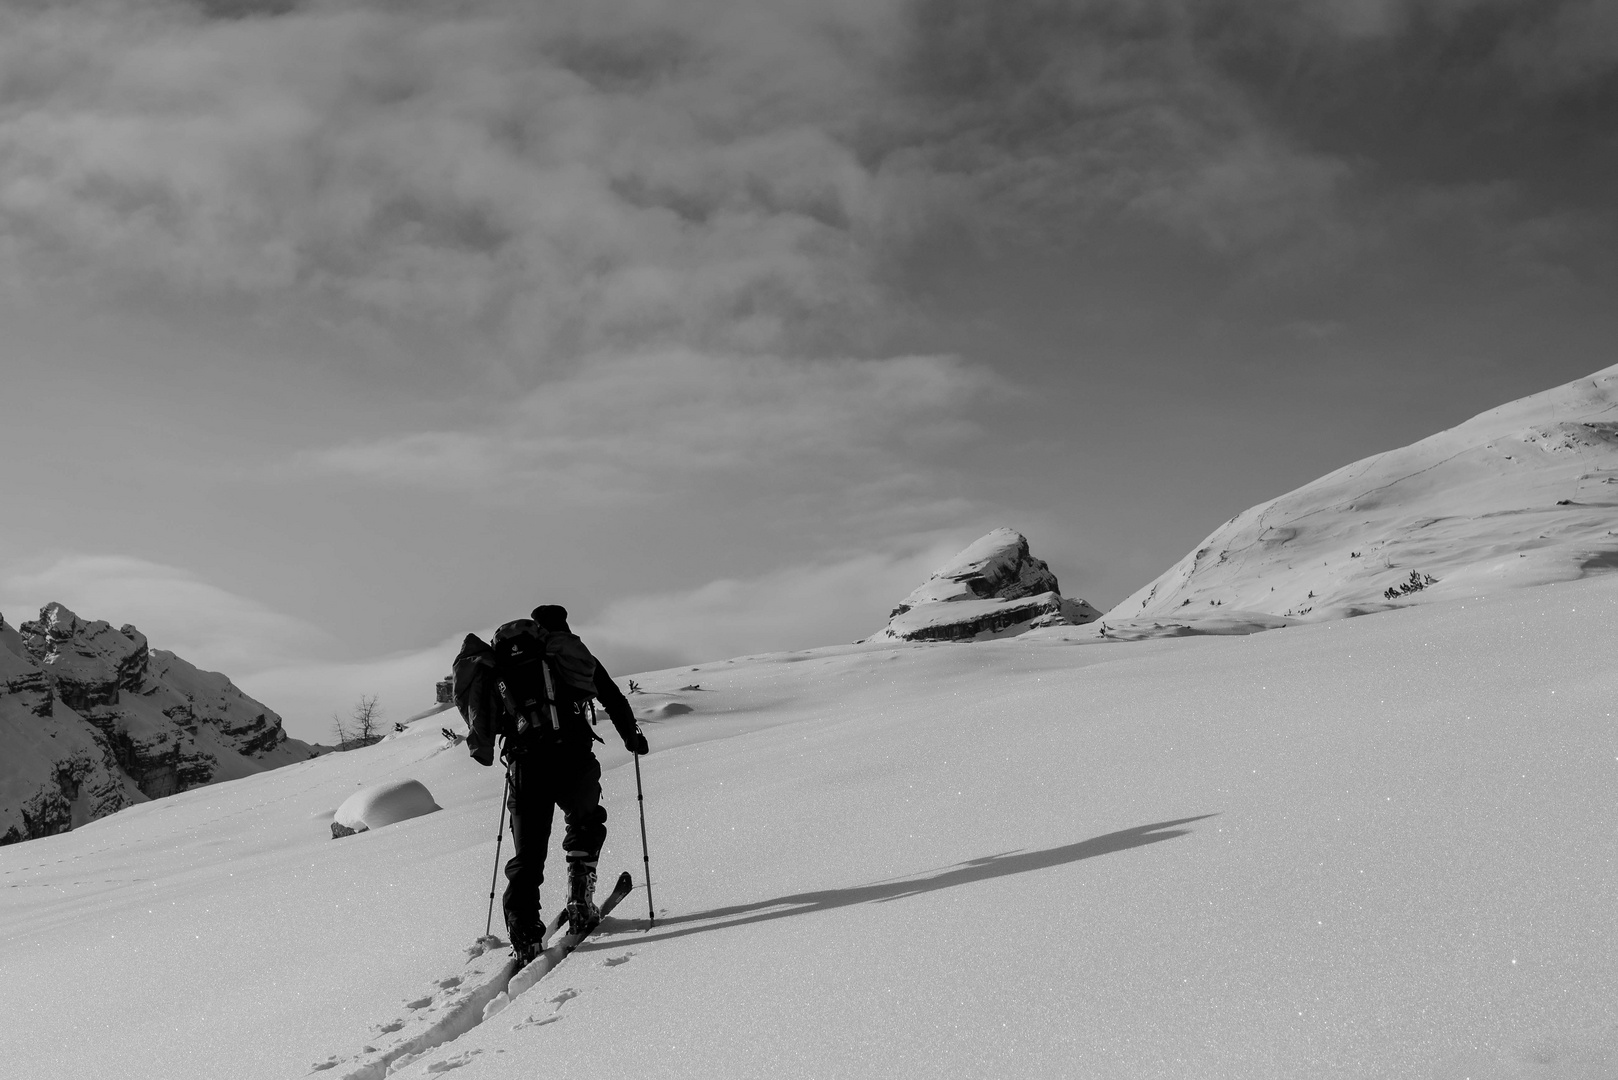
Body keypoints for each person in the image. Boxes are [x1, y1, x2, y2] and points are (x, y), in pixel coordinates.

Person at [453, 604, 648, 964]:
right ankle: (579, 897)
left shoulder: (500, 663)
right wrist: (630, 735)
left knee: (528, 853)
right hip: (573, 755)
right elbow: (609, 694)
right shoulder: (565, 652)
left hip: (526, 764)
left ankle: (524, 933)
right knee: (585, 823)